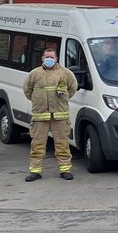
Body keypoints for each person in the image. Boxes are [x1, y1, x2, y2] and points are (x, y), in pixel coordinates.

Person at [23, 46, 79, 182]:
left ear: (56, 59)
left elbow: (72, 88)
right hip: (40, 115)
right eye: (46, 57)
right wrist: (39, 101)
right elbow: (27, 90)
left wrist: (62, 100)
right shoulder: (34, 73)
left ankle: (65, 170)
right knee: (37, 144)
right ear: (42, 58)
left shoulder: (65, 73)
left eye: (51, 57)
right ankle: (35, 171)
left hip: (60, 115)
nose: (49, 59)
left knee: (62, 144)